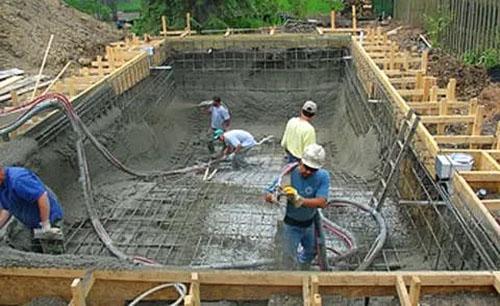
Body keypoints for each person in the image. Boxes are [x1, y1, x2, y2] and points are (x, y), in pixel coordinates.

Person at [265, 144, 329, 269]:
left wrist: (300, 200)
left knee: (311, 252)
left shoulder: (323, 176)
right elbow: (268, 194)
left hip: (309, 224)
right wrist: (274, 197)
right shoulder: (288, 174)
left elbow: (322, 202)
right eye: (306, 167)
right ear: (300, 161)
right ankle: (289, 279)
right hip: (290, 225)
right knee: (288, 257)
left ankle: (302, 271)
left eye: (313, 169)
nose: (309, 171)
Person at [0, 166, 64, 254]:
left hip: (48, 218)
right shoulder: (2, 185)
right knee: (36, 255)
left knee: (53, 258)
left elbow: (41, 197)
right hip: (31, 222)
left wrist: (45, 225)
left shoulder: (18, 180)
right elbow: (7, 208)